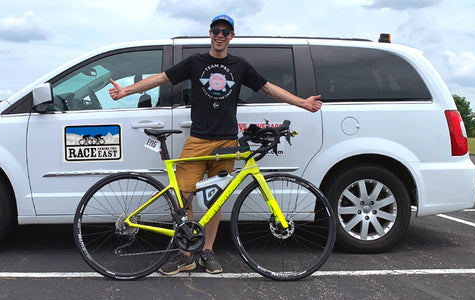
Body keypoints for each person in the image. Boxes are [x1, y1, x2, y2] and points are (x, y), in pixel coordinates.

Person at [108, 14, 322, 275]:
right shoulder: (196, 62)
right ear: (210, 33)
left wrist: (302, 103)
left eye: (225, 31)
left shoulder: (239, 65)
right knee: (182, 198)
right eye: (216, 30)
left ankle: (207, 251)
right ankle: (186, 253)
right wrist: (125, 91)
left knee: (215, 201)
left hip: (227, 142)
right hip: (197, 140)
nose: (220, 35)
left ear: (232, 36)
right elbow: (162, 78)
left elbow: (268, 88)